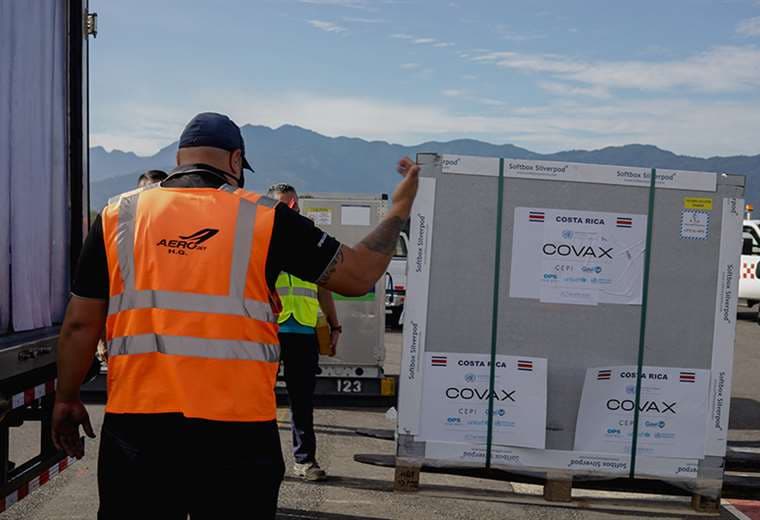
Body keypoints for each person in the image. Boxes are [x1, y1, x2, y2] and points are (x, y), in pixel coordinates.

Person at [51, 111, 419, 519]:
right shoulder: (266, 218)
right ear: (235, 160)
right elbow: (359, 275)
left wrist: (66, 396)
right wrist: (400, 204)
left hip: (138, 429)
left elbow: (80, 325)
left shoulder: (118, 216)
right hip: (238, 433)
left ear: (179, 158)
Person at [267, 183, 340, 481]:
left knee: (302, 401)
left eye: (294, 204)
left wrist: (335, 325)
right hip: (268, 330)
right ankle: (263, 462)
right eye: (285, 206)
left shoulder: (309, 242)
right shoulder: (261, 240)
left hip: (303, 331)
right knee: (260, 401)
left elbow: (324, 288)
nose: (292, 209)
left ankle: (305, 461)